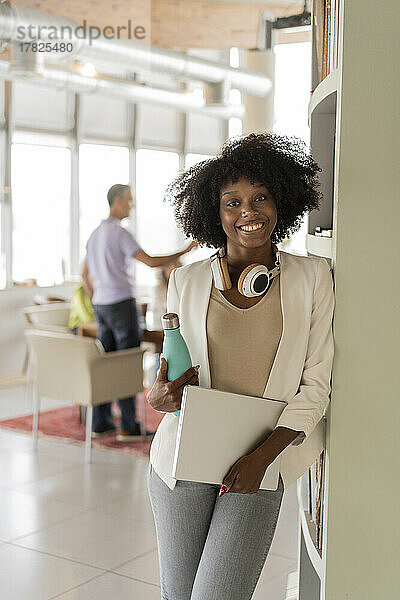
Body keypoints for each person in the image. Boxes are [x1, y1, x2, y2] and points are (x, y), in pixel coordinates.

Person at [147, 132, 334, 599]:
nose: (247, 212)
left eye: (261, 198)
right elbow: (172, 373)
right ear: (215, 212)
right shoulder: (186, 281)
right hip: (180, 464)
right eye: (233, 202)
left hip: (258, 463)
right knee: (179, 595)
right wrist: (158, 396)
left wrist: (259, 461)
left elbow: (315, 385)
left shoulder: (312, 278)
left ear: (281, 202)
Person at [82, 183, 196, 441]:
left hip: (101, 304)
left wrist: (98, 299)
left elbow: (84, 276)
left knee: (107, 364)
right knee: (127, 364)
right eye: (129, 200)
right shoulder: (120, 234)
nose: (131, 205)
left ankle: (101, 423)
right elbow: (152, 261)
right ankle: (128, 427)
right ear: (116, 201)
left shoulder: (94, 235)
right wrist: (186, 250)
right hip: (121, 303)